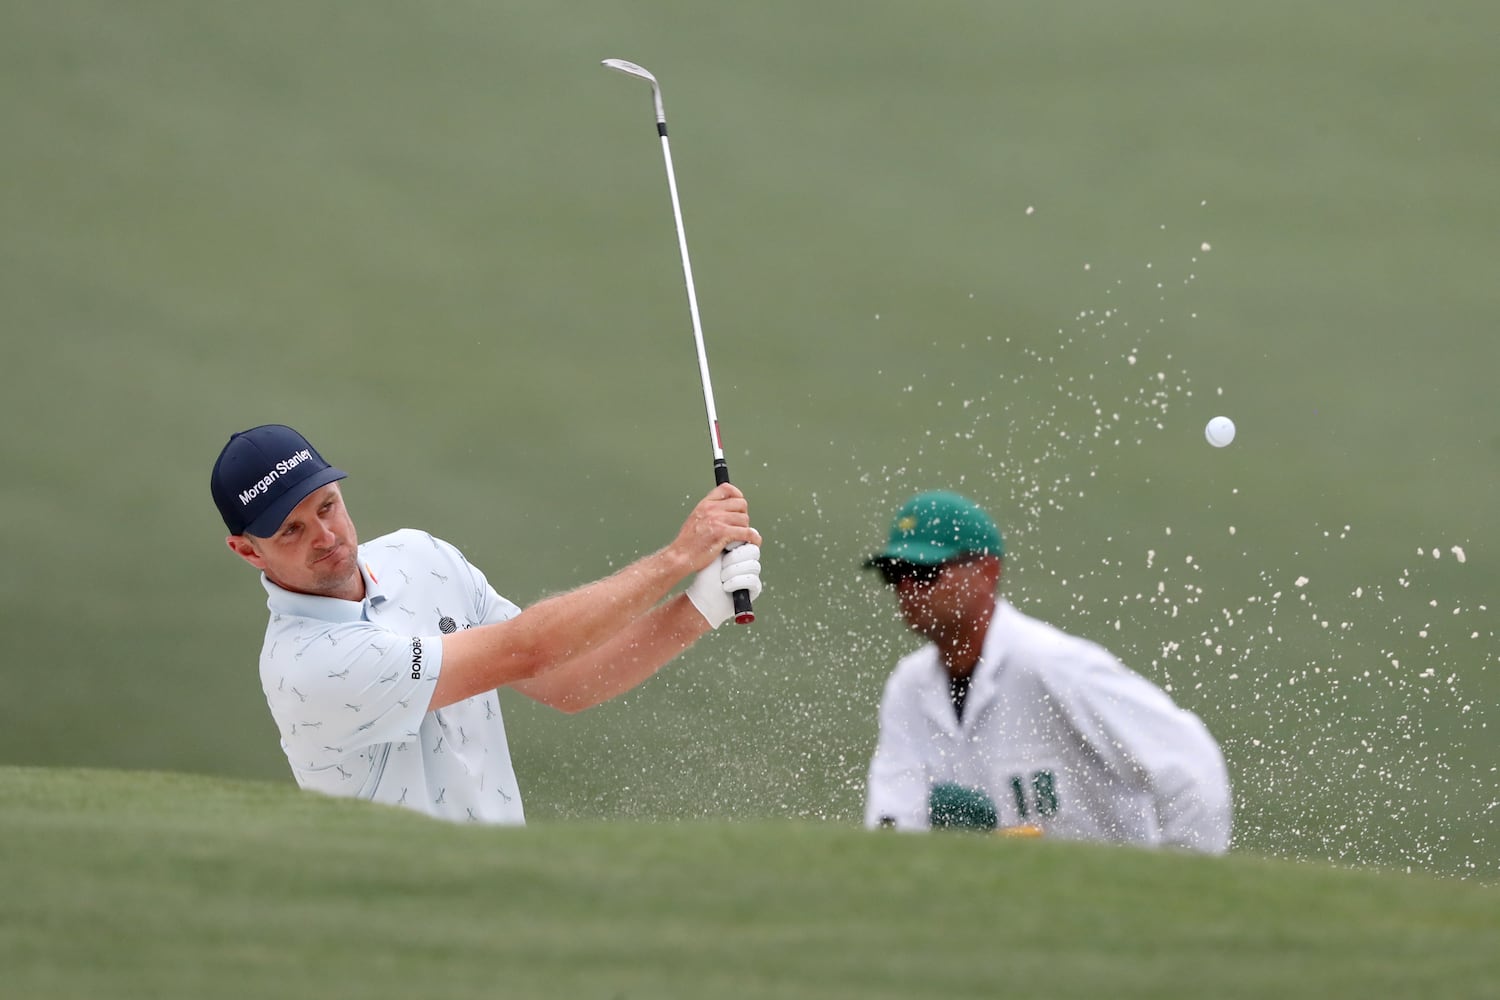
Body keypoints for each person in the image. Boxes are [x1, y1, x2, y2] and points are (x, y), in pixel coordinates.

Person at [211, 423, 762, 824]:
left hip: (502, 898)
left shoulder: (420, 556)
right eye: (291, 530)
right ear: (247, 552)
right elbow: (528, 651)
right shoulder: (308, 667)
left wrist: (699, 607)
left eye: (327, 506)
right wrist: (674, 559)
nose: (325, 537)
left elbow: (565, 681)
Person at [862, 490, 1231, 852]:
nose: (907, 588)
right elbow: (892, 825)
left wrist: (1170, 890)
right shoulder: (908, 689)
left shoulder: (1054, 665)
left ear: (987, 572)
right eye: (894, 574)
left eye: (925, 572)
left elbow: (1191, 765)